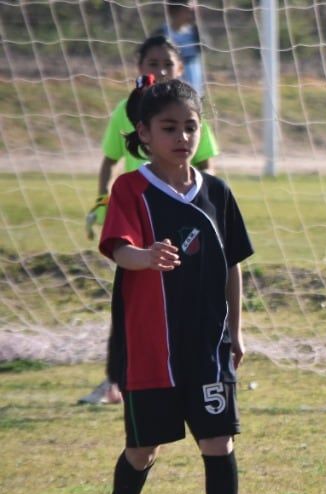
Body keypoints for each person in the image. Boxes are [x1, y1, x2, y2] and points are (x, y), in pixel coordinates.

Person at [95, 78, 253, 494]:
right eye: (169, 128)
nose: (182, 137)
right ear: (143, 132)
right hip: (151, 349)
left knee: (218, 443)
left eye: (190, 126)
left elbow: (232, 265)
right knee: (143, 450)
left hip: (206, 345)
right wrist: (144, 257)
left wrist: (238, 331)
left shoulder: (218, 193)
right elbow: (119, 249)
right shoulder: (131, 189)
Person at [83, 36, 220, 406]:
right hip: (138, 219)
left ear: (179, 69)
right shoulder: (124, 115)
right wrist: (102, 201)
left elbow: (205, 164)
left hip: (183, 214)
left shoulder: (189, 113)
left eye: (167, 64)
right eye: (152, 63)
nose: (159, 70)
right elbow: (110, 160)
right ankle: (118, 379)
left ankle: (197, 371)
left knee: (189, 298)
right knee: (134, 302)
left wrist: (210, 206)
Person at [157, 1, 204, 95]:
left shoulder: (195, 32)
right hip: (170, 80)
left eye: (193, 11)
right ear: (176, 11)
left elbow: (206, 46)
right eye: (188, 10)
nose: (192, 14)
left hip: (193, 79)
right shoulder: (163, 32)